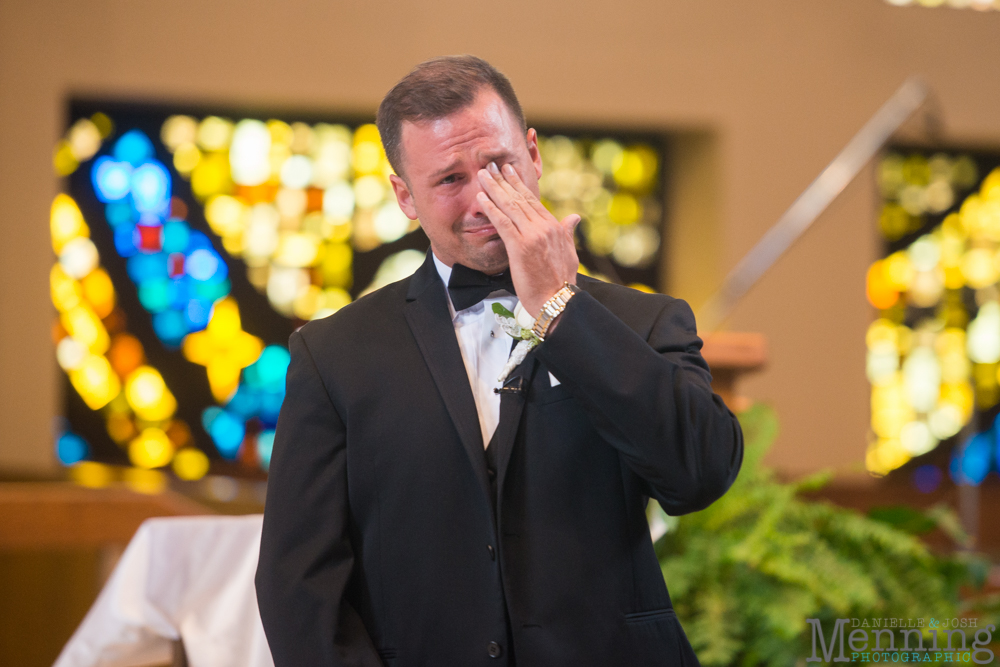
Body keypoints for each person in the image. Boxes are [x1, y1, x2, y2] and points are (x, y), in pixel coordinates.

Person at [256, 55, 743, 667]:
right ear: (405, 196)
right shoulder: (333, 356)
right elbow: (297, 586)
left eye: (497, 165)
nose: (483, 200)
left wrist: (562, 310)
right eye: (449, 180)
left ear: (534, 156)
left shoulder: (646, 322)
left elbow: (702, 472)